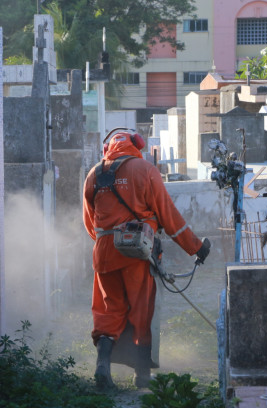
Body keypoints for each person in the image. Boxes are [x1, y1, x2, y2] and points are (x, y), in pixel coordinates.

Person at [82, 129, 211, 389]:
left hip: (105, 253)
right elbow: (168, 216)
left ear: (108, 148)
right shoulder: (144, 169)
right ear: (136, 145)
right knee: (143, 313)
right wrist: (196, 248)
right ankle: (141, 375)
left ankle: (102, 366)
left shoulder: (93, 174)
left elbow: (90, 223)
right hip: (138, 254)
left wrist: (108, 242)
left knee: (108, 312)